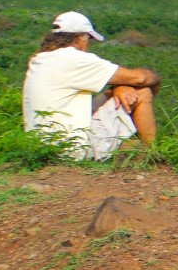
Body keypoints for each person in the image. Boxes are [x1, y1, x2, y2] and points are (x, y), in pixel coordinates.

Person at [21, 11, 160, 161]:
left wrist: (119, 87)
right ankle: (152, 154)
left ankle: (132, 150)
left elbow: (116, 79)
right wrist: (156, 79)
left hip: (40, 147)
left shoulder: (39, 59)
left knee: (120, 94)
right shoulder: (75, 59)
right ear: (80, 37)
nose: (88, 44)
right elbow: (140, 79)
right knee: (142, 92)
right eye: (89, 39)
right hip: (72, 150)